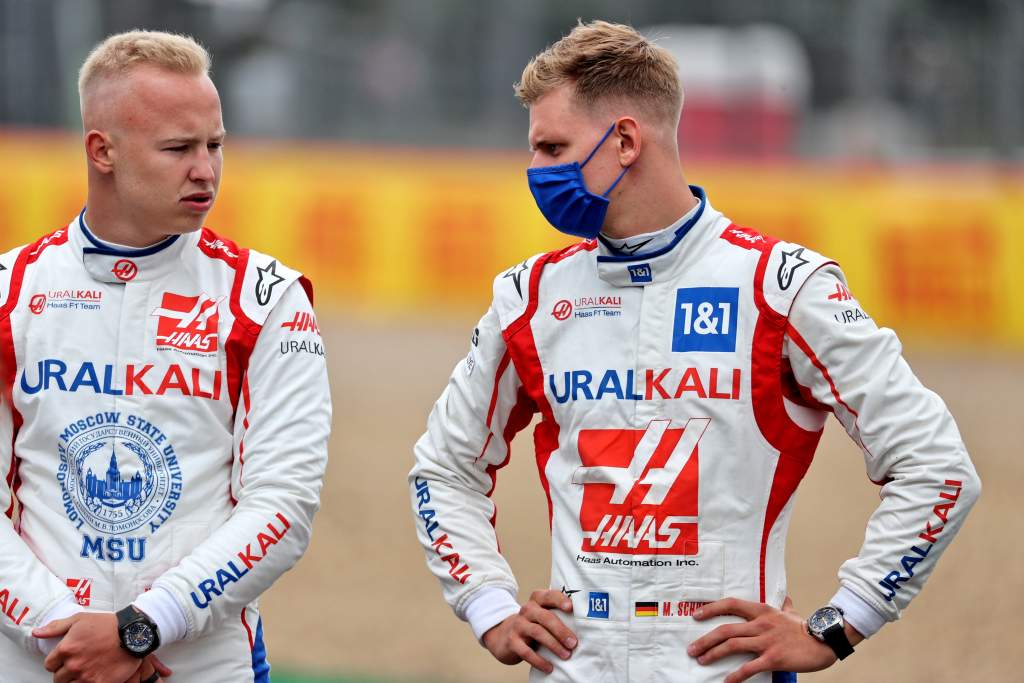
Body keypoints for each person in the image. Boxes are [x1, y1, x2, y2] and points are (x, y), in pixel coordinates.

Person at [409, 19, 979, 683]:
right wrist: (487, 603)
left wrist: (843, 620)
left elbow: (937, 465)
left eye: (552, 147)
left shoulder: (782, 287)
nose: (534, 171)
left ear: (624, 140)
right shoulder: (530, 298)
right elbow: (442, 468)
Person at [0, 30, 331, 683]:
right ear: (103, 151)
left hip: (199, 662)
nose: (205, 170)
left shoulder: (266, 299)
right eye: (179, 148)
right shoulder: (11, 294)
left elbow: (283, 505)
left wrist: (140, 627)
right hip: (34, 656)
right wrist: (61, 634)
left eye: (215, 145)